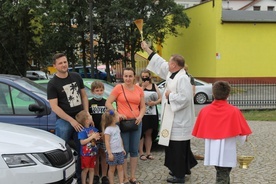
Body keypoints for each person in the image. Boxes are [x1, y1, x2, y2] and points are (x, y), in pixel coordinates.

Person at [141, 41, 198, 183]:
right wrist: (147, 49)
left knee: (178, 149)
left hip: (179, 121)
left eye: (170, 62)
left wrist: (169, 96)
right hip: (171, 119)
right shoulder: (172, 73)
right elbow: (159, 62)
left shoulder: (183, 78)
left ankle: (179, 176)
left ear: (174, 65)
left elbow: (185, 98)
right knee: (173, 147)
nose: (168, 64)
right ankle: (181, 169)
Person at [192, 81, 252, 184]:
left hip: (212, 149)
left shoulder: (205, 111)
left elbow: (203, 130)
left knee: (222, 172)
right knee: (223, 174)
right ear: (228, 94)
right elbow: (241, 132)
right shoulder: (233, 111)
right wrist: (243, 137)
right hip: (227, 150)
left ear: (213, 93)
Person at [47, 53, 90, 184]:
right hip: (64, 121)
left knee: (82, 150)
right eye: (60, 63)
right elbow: (54, 107)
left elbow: (84, 96)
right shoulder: (52, 84)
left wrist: (87, 114)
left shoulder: (76, 77)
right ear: (55, 66)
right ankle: (62, 179)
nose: (64, 65)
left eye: (65, 62)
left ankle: (78, 178)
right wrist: (71, 121)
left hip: (81, 119)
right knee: (61, 153)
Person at [105, 67, 146, 184]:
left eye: (130, 76)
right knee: (124, 150)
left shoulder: (139, 89)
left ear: (134, 77)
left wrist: (140, 116)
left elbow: (143, 106)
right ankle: (124, 177)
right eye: (126, 76)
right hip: (123, 124)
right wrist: (116, 113)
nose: (128, 78)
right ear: (123, 77)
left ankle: (133, 176)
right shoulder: (118, 88)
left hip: (136, 122)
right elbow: (108, 102)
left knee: (134, 150)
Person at [138, 69, 161, 161]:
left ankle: (148, 152)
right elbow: (136, 96)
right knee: (141, 133)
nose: (145, 78)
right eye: (143, 77)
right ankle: (141, 153)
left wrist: (155, 102)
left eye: (146, 76)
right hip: (142, 113)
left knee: (149, 133)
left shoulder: (154, 86)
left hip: (152, 112)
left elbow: (160, 98)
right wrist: (142, 87)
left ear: (149, 76)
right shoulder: (138, 86)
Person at [88, 81, 109, 184]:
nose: (99, 92)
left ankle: (104, 176)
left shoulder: (106, 102)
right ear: (92, 91)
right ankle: (96, 175)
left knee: (104, 154)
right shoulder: (89, 103)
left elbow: (111, 114)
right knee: (95, 155)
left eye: (101, 90)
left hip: (104, 132)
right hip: (93, 133)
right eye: (97, 90)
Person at [184, 63, 204, 161]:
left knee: (191, 130)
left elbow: (192, 90)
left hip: (188, 106)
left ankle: (193, 152)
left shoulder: (189, 77)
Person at [76, 110, 101, 184]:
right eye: (89, 115)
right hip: (85, 154)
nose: (91, 116)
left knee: (92, 169)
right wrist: (92, 137)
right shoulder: (82, 131)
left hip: (93, 153)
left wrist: (97, 136)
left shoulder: (92, 128)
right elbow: (82, 142)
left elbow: (97, 135)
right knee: (85, 169)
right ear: (87, 121)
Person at [102, 109, 126, 184]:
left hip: (119, 151)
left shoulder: (117, 127)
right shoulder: (108, 130)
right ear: (113, 118)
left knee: (120, 167)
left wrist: (122, 148)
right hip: (112, 152)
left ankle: (121, 182)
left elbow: (120, 138)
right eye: (117, 115)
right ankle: (111, 182)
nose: (119, 116)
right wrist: (109, 153)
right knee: (112, 169)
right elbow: (107, 142)